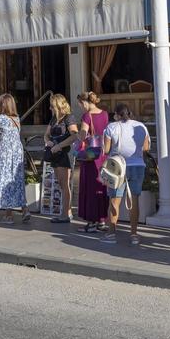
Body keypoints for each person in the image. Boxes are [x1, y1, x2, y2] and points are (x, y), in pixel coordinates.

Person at [103, 104, 150, 246]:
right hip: (137, 165)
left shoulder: (111, 127)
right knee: (134, 200)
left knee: (114, 200)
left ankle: (111, 233)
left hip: (117, 166)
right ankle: (134, 234)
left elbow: (106, 149)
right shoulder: (141, 126)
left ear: (117, 115)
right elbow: (146, 148)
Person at [0, 93, 30, 224]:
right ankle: (24, 209)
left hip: (5, 154)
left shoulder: (0, 119)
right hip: (17, 153)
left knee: (5, 180)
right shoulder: (16, 119)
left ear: (2, 105)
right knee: (17, 181)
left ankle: (9, 215)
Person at [75, 92, 109, 233]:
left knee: (89, 188)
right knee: (101, 186)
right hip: (102, 154)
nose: (81, 107)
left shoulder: (87, 116)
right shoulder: (105, 114)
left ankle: (91, 222)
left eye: (80, 104)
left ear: (85, 102)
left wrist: (78, 136)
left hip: (90, 156)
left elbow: (83, 133)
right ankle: (102, 220)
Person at [44, 94, 79, 224]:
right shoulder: (54, 119)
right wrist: (49, 142)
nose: (50, 108)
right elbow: (46, 135)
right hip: (54, 153)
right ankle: (66, 211)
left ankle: (66, 214)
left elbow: (74, 135)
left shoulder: (68, 118)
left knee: (65, 184)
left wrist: (59, 145)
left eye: (52, 106)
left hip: (65, 153)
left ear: (58, 105)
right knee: (60, 182)